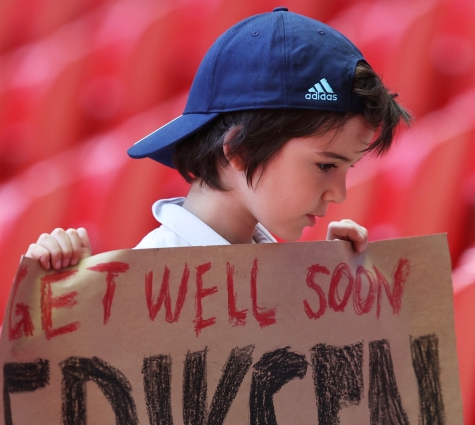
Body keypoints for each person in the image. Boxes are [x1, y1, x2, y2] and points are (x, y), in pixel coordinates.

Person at [24, 7, 410, 269]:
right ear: (239, 150)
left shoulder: (279, 272)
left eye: (346, 168)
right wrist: (68, 299)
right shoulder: (145, 281)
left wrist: (333, 292)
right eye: (326, 165)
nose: (339, 194)